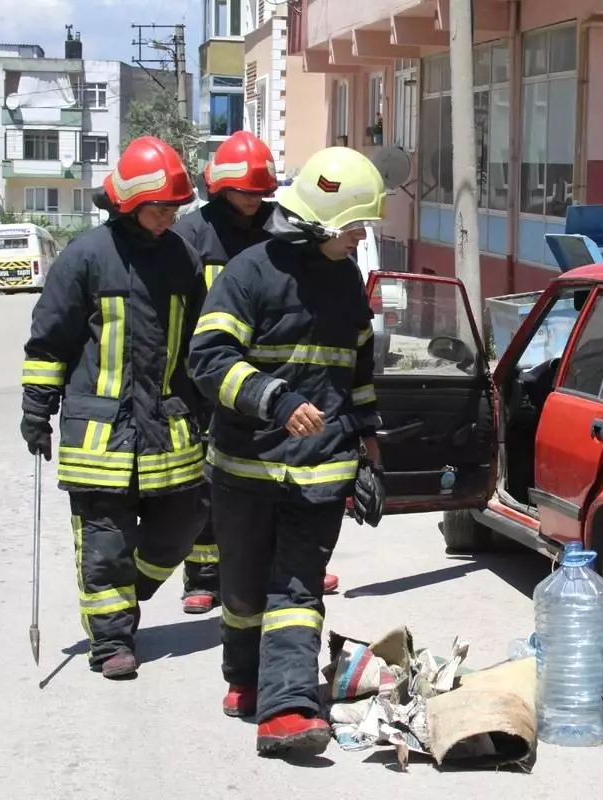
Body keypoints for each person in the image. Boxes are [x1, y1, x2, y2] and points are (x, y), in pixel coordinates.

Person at [188, 146, 386, 756]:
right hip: (245, 467)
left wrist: (369, 446)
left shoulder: (346, 280)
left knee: (296, 589)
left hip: (321, 468)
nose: (359, 238)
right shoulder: (248, 273)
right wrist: (273, 398)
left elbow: (356, 370)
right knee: (244, 589)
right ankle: (245, 679)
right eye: (354, 226)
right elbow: (207, 359)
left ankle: (287, 707)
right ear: (324, 221)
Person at [19, 136, 208, 679]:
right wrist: (37, 407)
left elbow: (199, 343)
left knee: (186, 518)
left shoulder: (182, 258)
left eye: (175, 207)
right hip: (99, 432)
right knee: (104, 542)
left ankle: (129, 595)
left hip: (166, 426)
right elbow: (49, 340)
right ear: (128, 202)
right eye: (160, 207)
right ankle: (112, 642)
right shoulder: (86, 257)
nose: (169, 216)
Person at [171, 132, 344, 615]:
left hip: (273, 379)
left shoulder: (278, 229)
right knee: (212, 482)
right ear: (220, 188)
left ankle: (289, 566)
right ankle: (204, 575)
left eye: (259, 192)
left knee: (281, 478)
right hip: (210, 373)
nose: (252, 201)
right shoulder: (191, 236)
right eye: (243, 192)